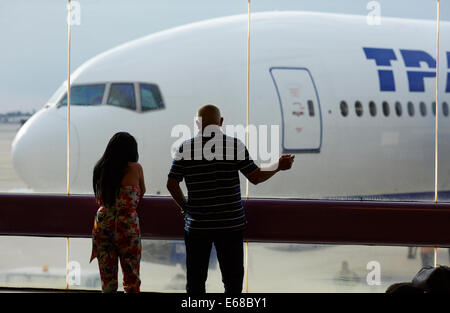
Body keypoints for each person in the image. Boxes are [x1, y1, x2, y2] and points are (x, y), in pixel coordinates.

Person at [167, 104, 295, 294]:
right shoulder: (234, 146)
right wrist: (278, 165)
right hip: (230, 225)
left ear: (197, 124)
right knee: (233, 282)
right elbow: (256, 177)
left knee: (195, 282)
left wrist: (186, 208)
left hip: (197, 226)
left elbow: (171, 183)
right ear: (221, 122)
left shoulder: (185, 148)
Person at [90, 132, 146, 293]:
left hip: (103, 224)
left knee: (107, 279)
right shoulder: (135, 168)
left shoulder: (100, 168)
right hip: (127, 225)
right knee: (131, 277)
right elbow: (142, 191)